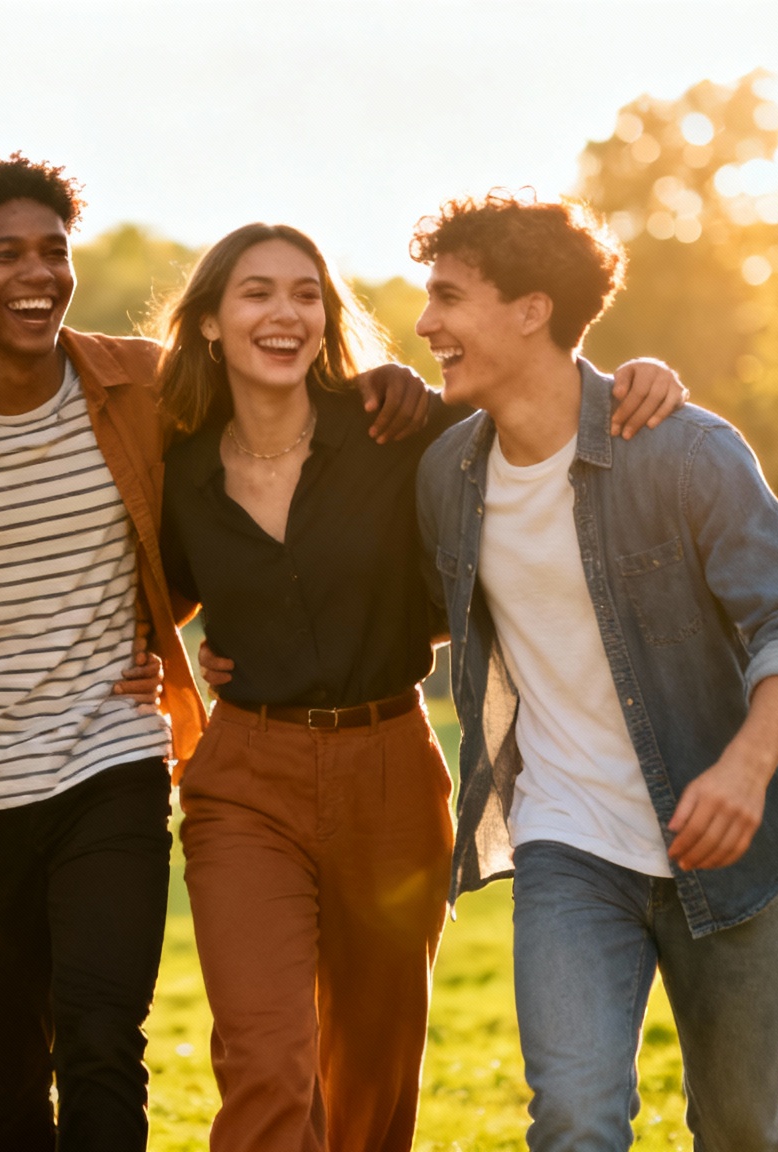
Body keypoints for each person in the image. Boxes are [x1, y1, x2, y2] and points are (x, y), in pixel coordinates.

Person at [160, 224, 688, 1152]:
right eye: (255, 293)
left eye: (306, 293)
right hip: (245, 779)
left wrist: (637, 380)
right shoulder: (176, 465)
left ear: (328, 318)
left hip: (390, 773)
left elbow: (540, 405)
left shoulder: (401, 432)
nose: (285, 313)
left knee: (374, 1068)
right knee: (266, 1057)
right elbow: (149, 593)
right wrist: (164, 662)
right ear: (208, 323)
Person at [412, 191, 778, 1151]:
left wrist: (744, 770)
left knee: (739, 1132)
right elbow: (404, 615)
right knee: (573, 1119)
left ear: (531, 309)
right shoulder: (447, 477)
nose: (425, 322)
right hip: (568, 845)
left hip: (728, 847)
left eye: (448, 296)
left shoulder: (685, 452)